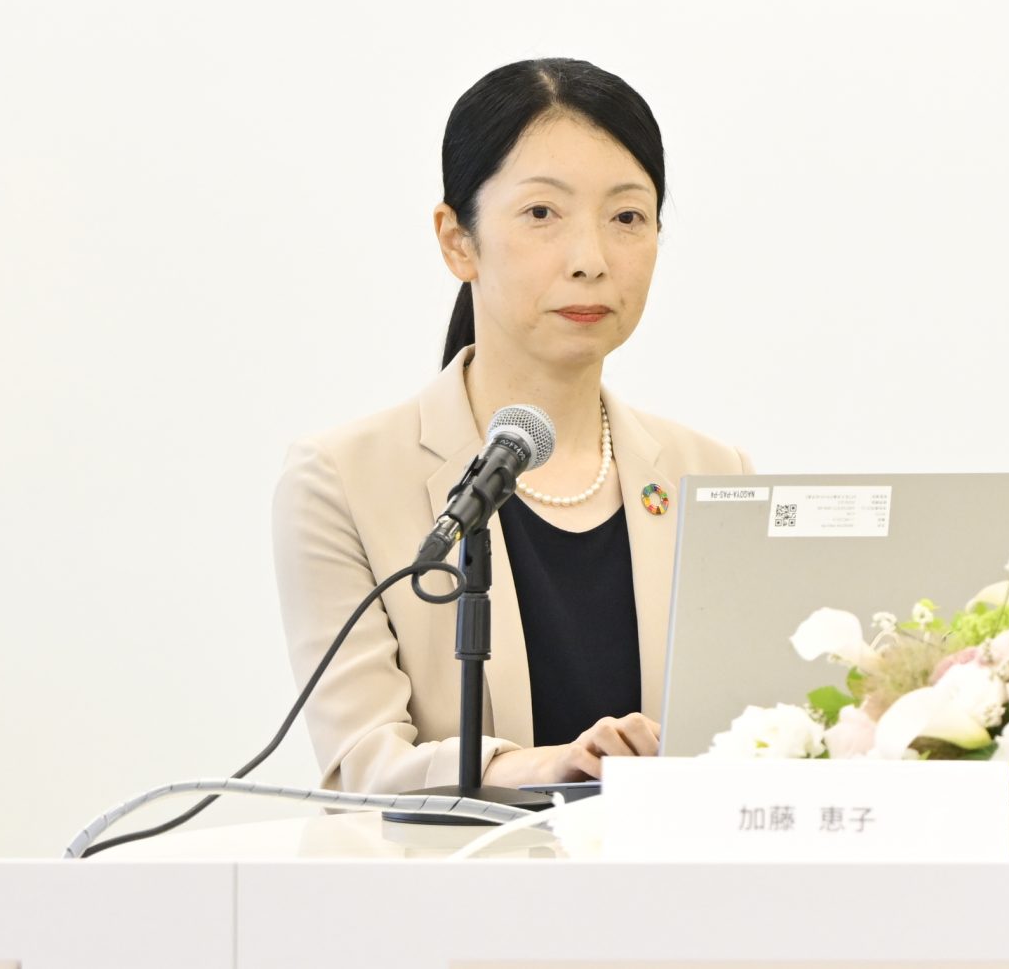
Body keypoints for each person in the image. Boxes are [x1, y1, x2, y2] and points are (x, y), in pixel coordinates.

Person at [272, 59, 752, 794]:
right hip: (458, 872)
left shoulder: (713, 474)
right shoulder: (342, 479)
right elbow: (363, 766)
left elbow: (752, 741)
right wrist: (546, 768)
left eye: (627, 217)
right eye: (541, 214)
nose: (591, 260)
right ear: (457, 240)